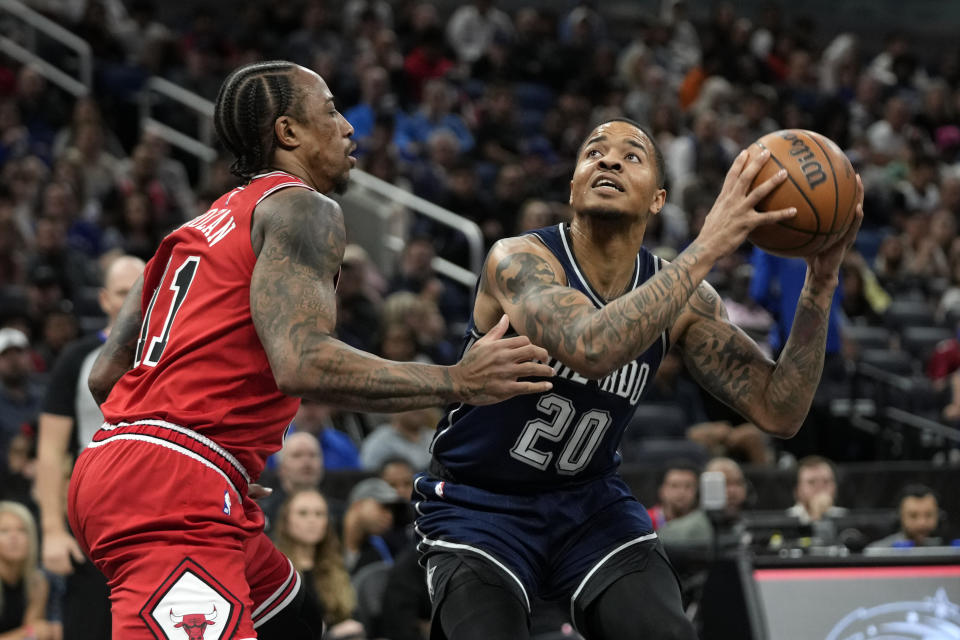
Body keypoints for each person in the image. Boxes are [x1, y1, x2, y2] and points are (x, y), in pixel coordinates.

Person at [66, 60, 554, 640]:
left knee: (294, 621)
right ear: (288, 132)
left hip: (124, 466)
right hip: (171, 490)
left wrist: (202, 446)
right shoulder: (302, 207)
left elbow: (104, 378)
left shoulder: (191, 231)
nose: (350, 127)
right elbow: (302, 362)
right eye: (331, 110)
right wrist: (459, 380)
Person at [414, 117, 864, 640]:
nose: (608, 160)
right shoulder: (520, 260)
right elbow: (592, 346)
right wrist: (710, 243)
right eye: (594, 152)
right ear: (573, 185)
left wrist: (820, 285)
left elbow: (779, 410)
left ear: (658, 200)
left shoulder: (688, 301)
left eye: (632, 156)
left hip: (588, 506)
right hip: (479, 506)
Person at [33, 254, 144, 640]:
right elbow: (49, 452)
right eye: (122, 291)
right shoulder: (77, 358)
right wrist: (51, 530)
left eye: (143, 288)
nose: (134, 298)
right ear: (103, 300)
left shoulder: (179, 355)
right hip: (93, 520)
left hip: (160, 512)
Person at [272, 489, 360, 637]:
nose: (312, 520)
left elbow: (347, 615)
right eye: (303, 513)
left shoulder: (335, 567)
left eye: (319, 514)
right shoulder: (274, 569)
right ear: (286, 521)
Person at [0, 501, 57, 640]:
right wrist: (27, 633)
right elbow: (31, 631)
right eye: (4, 531)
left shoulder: (37, 582)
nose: (14, 537)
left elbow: (33, 631)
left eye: (22, 530)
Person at [867, 485, 942, 548]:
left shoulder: (945, 549)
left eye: (928, 515)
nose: (921, 523)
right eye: (913, 516)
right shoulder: (878, 552)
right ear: (900, 516)